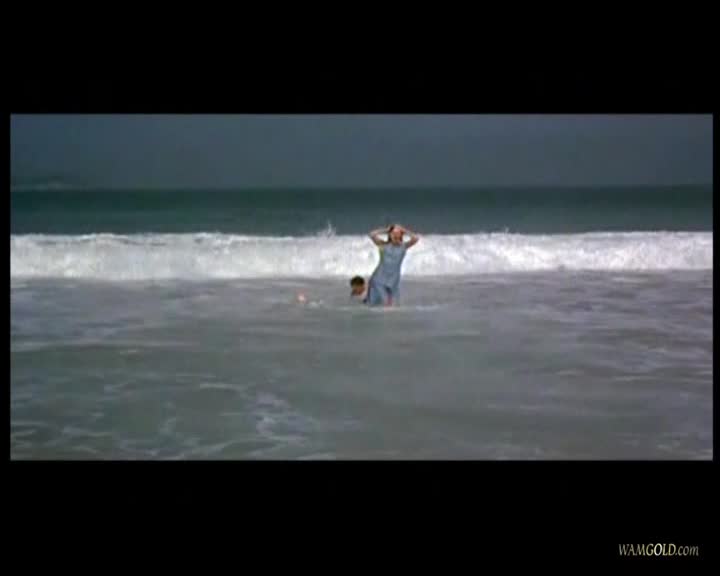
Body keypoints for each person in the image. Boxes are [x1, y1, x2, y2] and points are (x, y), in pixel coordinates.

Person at [352, 224, 419, 306]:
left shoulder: (404, 246)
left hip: (393, 280)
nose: (395, 235)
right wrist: (386, 230)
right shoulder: (383, 245)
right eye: (393, 233)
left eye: (398, 233)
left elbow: (416, 238)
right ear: (389, 235)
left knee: (393, 305)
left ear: (401, 235)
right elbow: (371, 234)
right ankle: (357, 300)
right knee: (377, 303)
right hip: (379, 279)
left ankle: (360, 297)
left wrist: (404, 230)